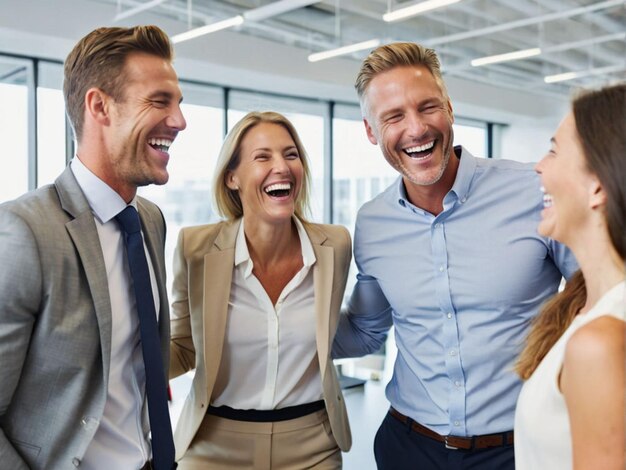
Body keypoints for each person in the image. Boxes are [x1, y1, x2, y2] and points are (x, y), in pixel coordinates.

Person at [332, 42, 578, 469]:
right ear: (371, 131)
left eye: (428, 107)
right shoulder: (372, 223)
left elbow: (597, 300)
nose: (416, 129)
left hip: (519, 448)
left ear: (449, 108)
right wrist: (275, 330)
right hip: (409, 447)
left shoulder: (532, 191)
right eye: (393, 116)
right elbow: (367, 332)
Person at [0, 25, 186, 470]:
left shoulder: (149, 220)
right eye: (160, 101)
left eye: (179, 103)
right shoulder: (25, 231)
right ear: (100, 106)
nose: (179, 121)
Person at [169, 111, 352, 469]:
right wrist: (115, 362)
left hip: (312, 446)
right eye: (263, 157)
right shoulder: (196, 248)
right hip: (214, 445)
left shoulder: (335, 246)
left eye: (291, 154)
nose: (281, 167)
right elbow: (183, 347)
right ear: (232, 178)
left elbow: (347, 330)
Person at [514, 83, 625, 469]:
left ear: (597, 186)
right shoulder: (584, 305)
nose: (539, 165)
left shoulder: (600, 341)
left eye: (554, 150)